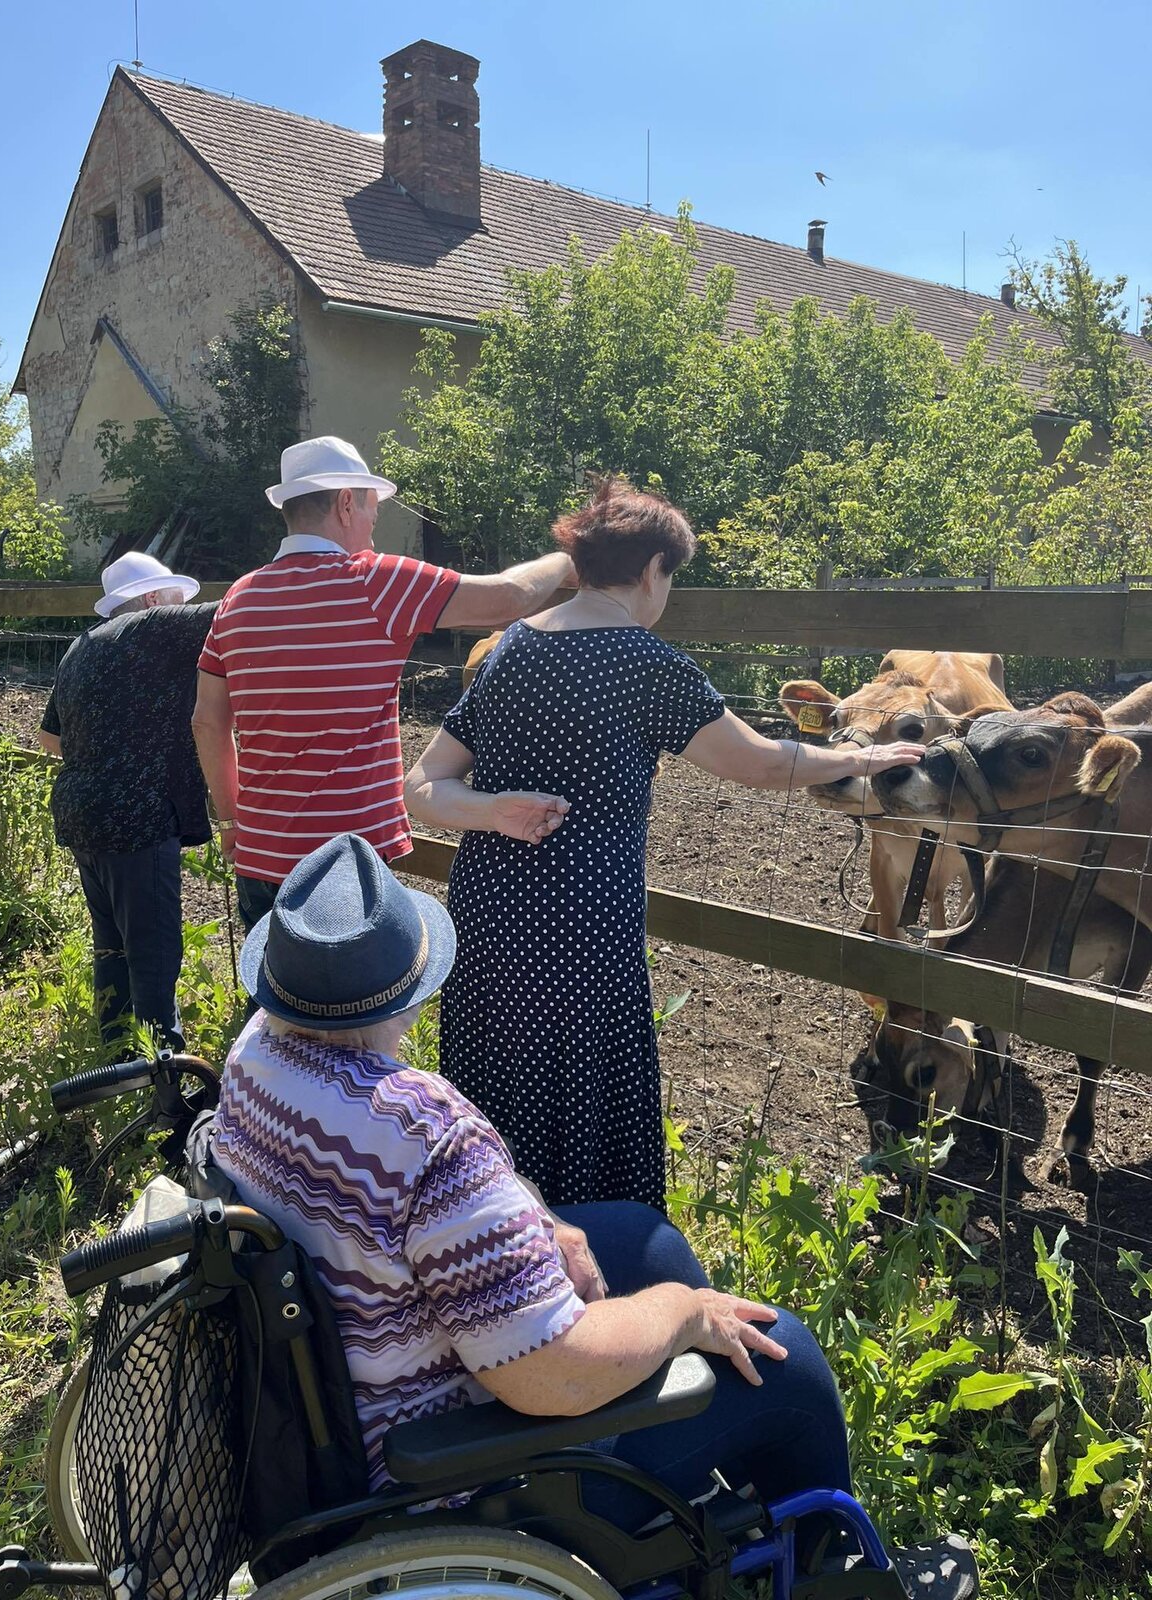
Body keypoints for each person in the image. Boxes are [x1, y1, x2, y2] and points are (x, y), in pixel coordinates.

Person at [207, 832, 852, 1535]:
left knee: (645, 1237)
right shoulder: (427, 1134)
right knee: (789, 1364)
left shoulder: (256, 1053)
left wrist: (540, 1217)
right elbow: (551, 1376)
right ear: (409, 993)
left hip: (323, 1418)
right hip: (447, 1481)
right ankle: (829, 1559)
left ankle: (723, 1514)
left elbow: (437, 1205)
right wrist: (682, 1314)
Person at [404, 482, 926, 1210]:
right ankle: (584, 1242)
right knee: (585, 1087)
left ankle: (487, 1228)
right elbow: (759, 763)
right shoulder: (645, 662)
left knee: (499, 1076)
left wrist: (493, 812)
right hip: (584, 923)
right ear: (653, 570)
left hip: (489, 912)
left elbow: (421, 786)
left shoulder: (511, 649)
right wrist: (857, 758)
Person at [192, 436, 576, 933]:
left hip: (261, 854)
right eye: (373, 508)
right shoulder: (376, 581)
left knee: (269, 982)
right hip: (349, 862)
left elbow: (207, 721)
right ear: (345, 503)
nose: (374, 526)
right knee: (356, 983)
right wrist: (566, 561)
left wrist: (230, 820)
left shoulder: (238, 599)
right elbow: (509, 596)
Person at [38, 552, 216, 1053]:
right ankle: (164, 1071)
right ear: (153, 599)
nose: (183, 609)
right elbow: (241, 610)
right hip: (136, 822)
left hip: (82, 816)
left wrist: (108, 749)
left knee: (112, 945)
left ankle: (115, 1052)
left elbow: (50, 738)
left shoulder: (81, 647)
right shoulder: (154, 627)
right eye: (177, 599)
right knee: (154, 952)